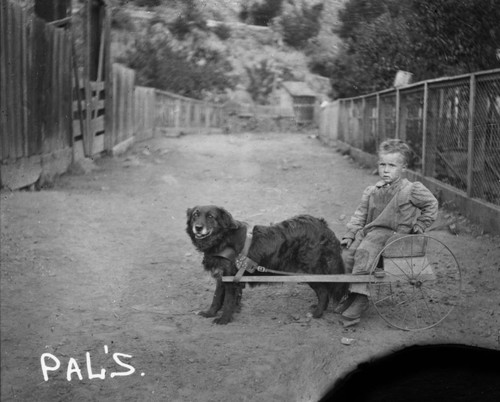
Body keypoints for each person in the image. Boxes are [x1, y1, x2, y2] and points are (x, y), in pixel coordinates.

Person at [336, 139, 439, 323]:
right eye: (382, 164)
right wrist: (350, 234)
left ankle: (361, 297)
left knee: (364, 252)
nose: (386, 170)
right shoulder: (372, 190)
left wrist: (421, 223)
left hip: (393, 235)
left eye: (392, 165)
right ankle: (351, 293)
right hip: (371, 231)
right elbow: (360, 215)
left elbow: (431, 204)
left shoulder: (411, 190)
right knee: (347, 254)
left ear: (403, 167)